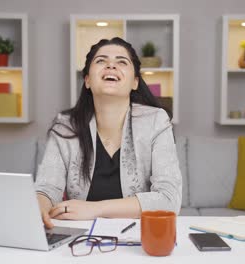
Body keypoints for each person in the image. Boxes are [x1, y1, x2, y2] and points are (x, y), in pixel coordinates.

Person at [35, 37, 182, 228]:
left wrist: (95, 209)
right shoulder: (65, 126)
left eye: (121, 62)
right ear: (87, 80)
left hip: (138, 239)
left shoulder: (156, 120)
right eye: (101, 61)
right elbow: (46, 189)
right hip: (80, 239)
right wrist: (38, 207)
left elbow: (169, 200)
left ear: (135, 82)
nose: (111, 66)